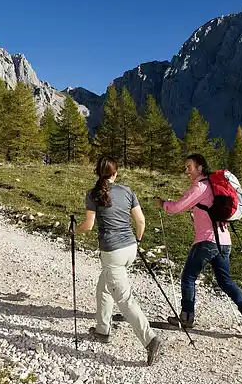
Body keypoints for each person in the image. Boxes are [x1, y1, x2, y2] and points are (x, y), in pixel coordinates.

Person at [154, 154, 242, 337]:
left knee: (188, 276)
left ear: (200, 168)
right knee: (225, 281)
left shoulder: (200, 186)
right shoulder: (212, 187)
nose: (186, 171)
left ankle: (187, 317)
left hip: (207, 240)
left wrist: (163, 204)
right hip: (224, 241)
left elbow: (177, 206)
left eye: (189, 167)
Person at [75, 156, 162, 366]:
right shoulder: (127, 191)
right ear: (116, 173)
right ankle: (102, 330)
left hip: (112, 253)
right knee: (103, 288)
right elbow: (141, 221)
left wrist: (73, 230)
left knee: (124, 299)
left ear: (98, 172)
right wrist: (138, 239)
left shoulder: (93, 194)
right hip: (130, 248)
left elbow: (88, 225)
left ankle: (150, 340)